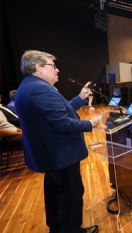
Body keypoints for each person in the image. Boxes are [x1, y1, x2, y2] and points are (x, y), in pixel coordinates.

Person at [14, 50, 100, 233]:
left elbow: (60, 111)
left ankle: (58, 227)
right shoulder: (40, 89)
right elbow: (61, 122)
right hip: (60, 154)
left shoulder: (30, 86)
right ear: (38, 67)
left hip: (51, 154)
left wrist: (80, 98)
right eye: (52, 66)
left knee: (54, 193)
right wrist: (91, 124)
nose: (57, 70)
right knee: (71, 195)